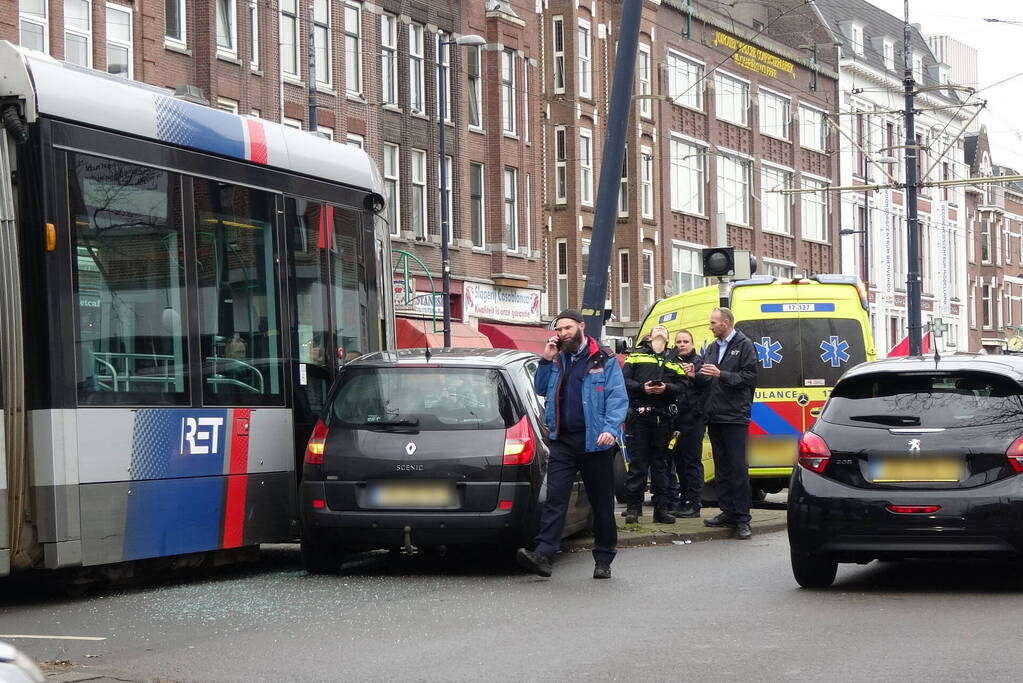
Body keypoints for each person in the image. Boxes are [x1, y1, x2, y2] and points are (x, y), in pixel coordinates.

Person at [517, 309, 628, 580]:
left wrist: (610, 429)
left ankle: (603, 558)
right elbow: (541, 389)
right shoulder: (557, 359)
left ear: (581, 326)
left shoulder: (603, 358)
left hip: (595, 441)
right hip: (563, 440)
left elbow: (617, 398)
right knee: (555, 499)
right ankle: (543, 554)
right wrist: (545, 360)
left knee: (601, 502)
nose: (563, 333)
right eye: (559, 329)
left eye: (567, 328)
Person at [699, 307, 758, 540]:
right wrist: (697, 375)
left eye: (713, 323)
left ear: (726, 323)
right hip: (715, 416)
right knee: (721, 467)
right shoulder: (712, 348)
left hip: (735, 416)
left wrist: (720, 374)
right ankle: (728, 511)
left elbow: (750, 378)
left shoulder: (744, 345)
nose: (710, 326)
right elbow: (708, 377)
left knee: (737, 468)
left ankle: (743, 519)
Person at [621, 325, 685, 525]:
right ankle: (634, 508)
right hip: (639, 417)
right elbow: (623, 381)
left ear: (668, 338)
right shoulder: (636, 355)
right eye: (656, 329)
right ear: (650, 336)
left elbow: (683, 386)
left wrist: (666, 389)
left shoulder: (674, 360)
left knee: (661, 465)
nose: (660, 330)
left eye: (664, 329)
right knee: (638, 464)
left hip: (663, 418)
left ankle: (661, 509)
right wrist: (642, 388)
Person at [668, 329, 708, 518]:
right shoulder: (671, 362)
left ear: (692, 344)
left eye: (685, 341)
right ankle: (683, 499)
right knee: (679, 462)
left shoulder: (699, 362)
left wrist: (694, 375)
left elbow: (706, 385)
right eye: (678, 342)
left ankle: (694, 502)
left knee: (692, 461)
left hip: (693, 419)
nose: (682, 345)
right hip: (674, 420)